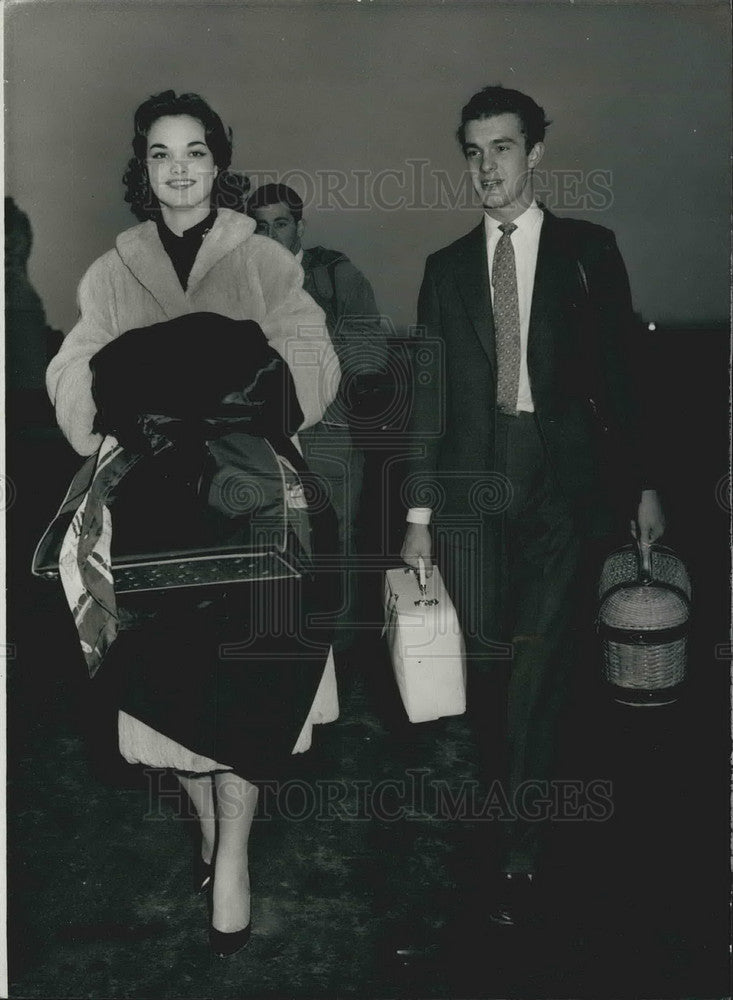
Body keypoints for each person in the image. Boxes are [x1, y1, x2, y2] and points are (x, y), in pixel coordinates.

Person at [45, 91, 341, 957]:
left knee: (248, 680)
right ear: (143, 170)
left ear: (220, 163)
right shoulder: (110, 271)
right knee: (161, 684)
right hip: (147, 508)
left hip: (243, 503)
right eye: (163, 155)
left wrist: (228, 381)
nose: (180, 169)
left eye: (197, 152)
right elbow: (75, 370)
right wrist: (110, 404)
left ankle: (237, 855)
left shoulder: (262, 261)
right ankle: (209, 832)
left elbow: (311, 356)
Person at [400, 85, 665, 925]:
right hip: (473, 496)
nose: (487, 167)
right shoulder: (443, 270)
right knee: (486, 668)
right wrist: (416, 521)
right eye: (473, 151)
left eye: (503, 148)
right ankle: (505, 802)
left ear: (535, 154)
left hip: (561, 488)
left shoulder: (589, 251)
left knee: (536, 667)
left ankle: (516, 847)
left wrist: (641, 485)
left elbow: (622, 381)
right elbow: (428, 402)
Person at [247, 183, 387, 655]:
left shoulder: (332, 273)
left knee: (334, 543)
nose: (270, 235)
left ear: (299, 226)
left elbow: (365, 341)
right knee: (270, 543)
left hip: (328, 434)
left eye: (280, 223)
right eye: (260, 226)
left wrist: (353, 394)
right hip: (263, 438)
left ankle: (337, 662)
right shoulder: (242, 281)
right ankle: (281, 660)